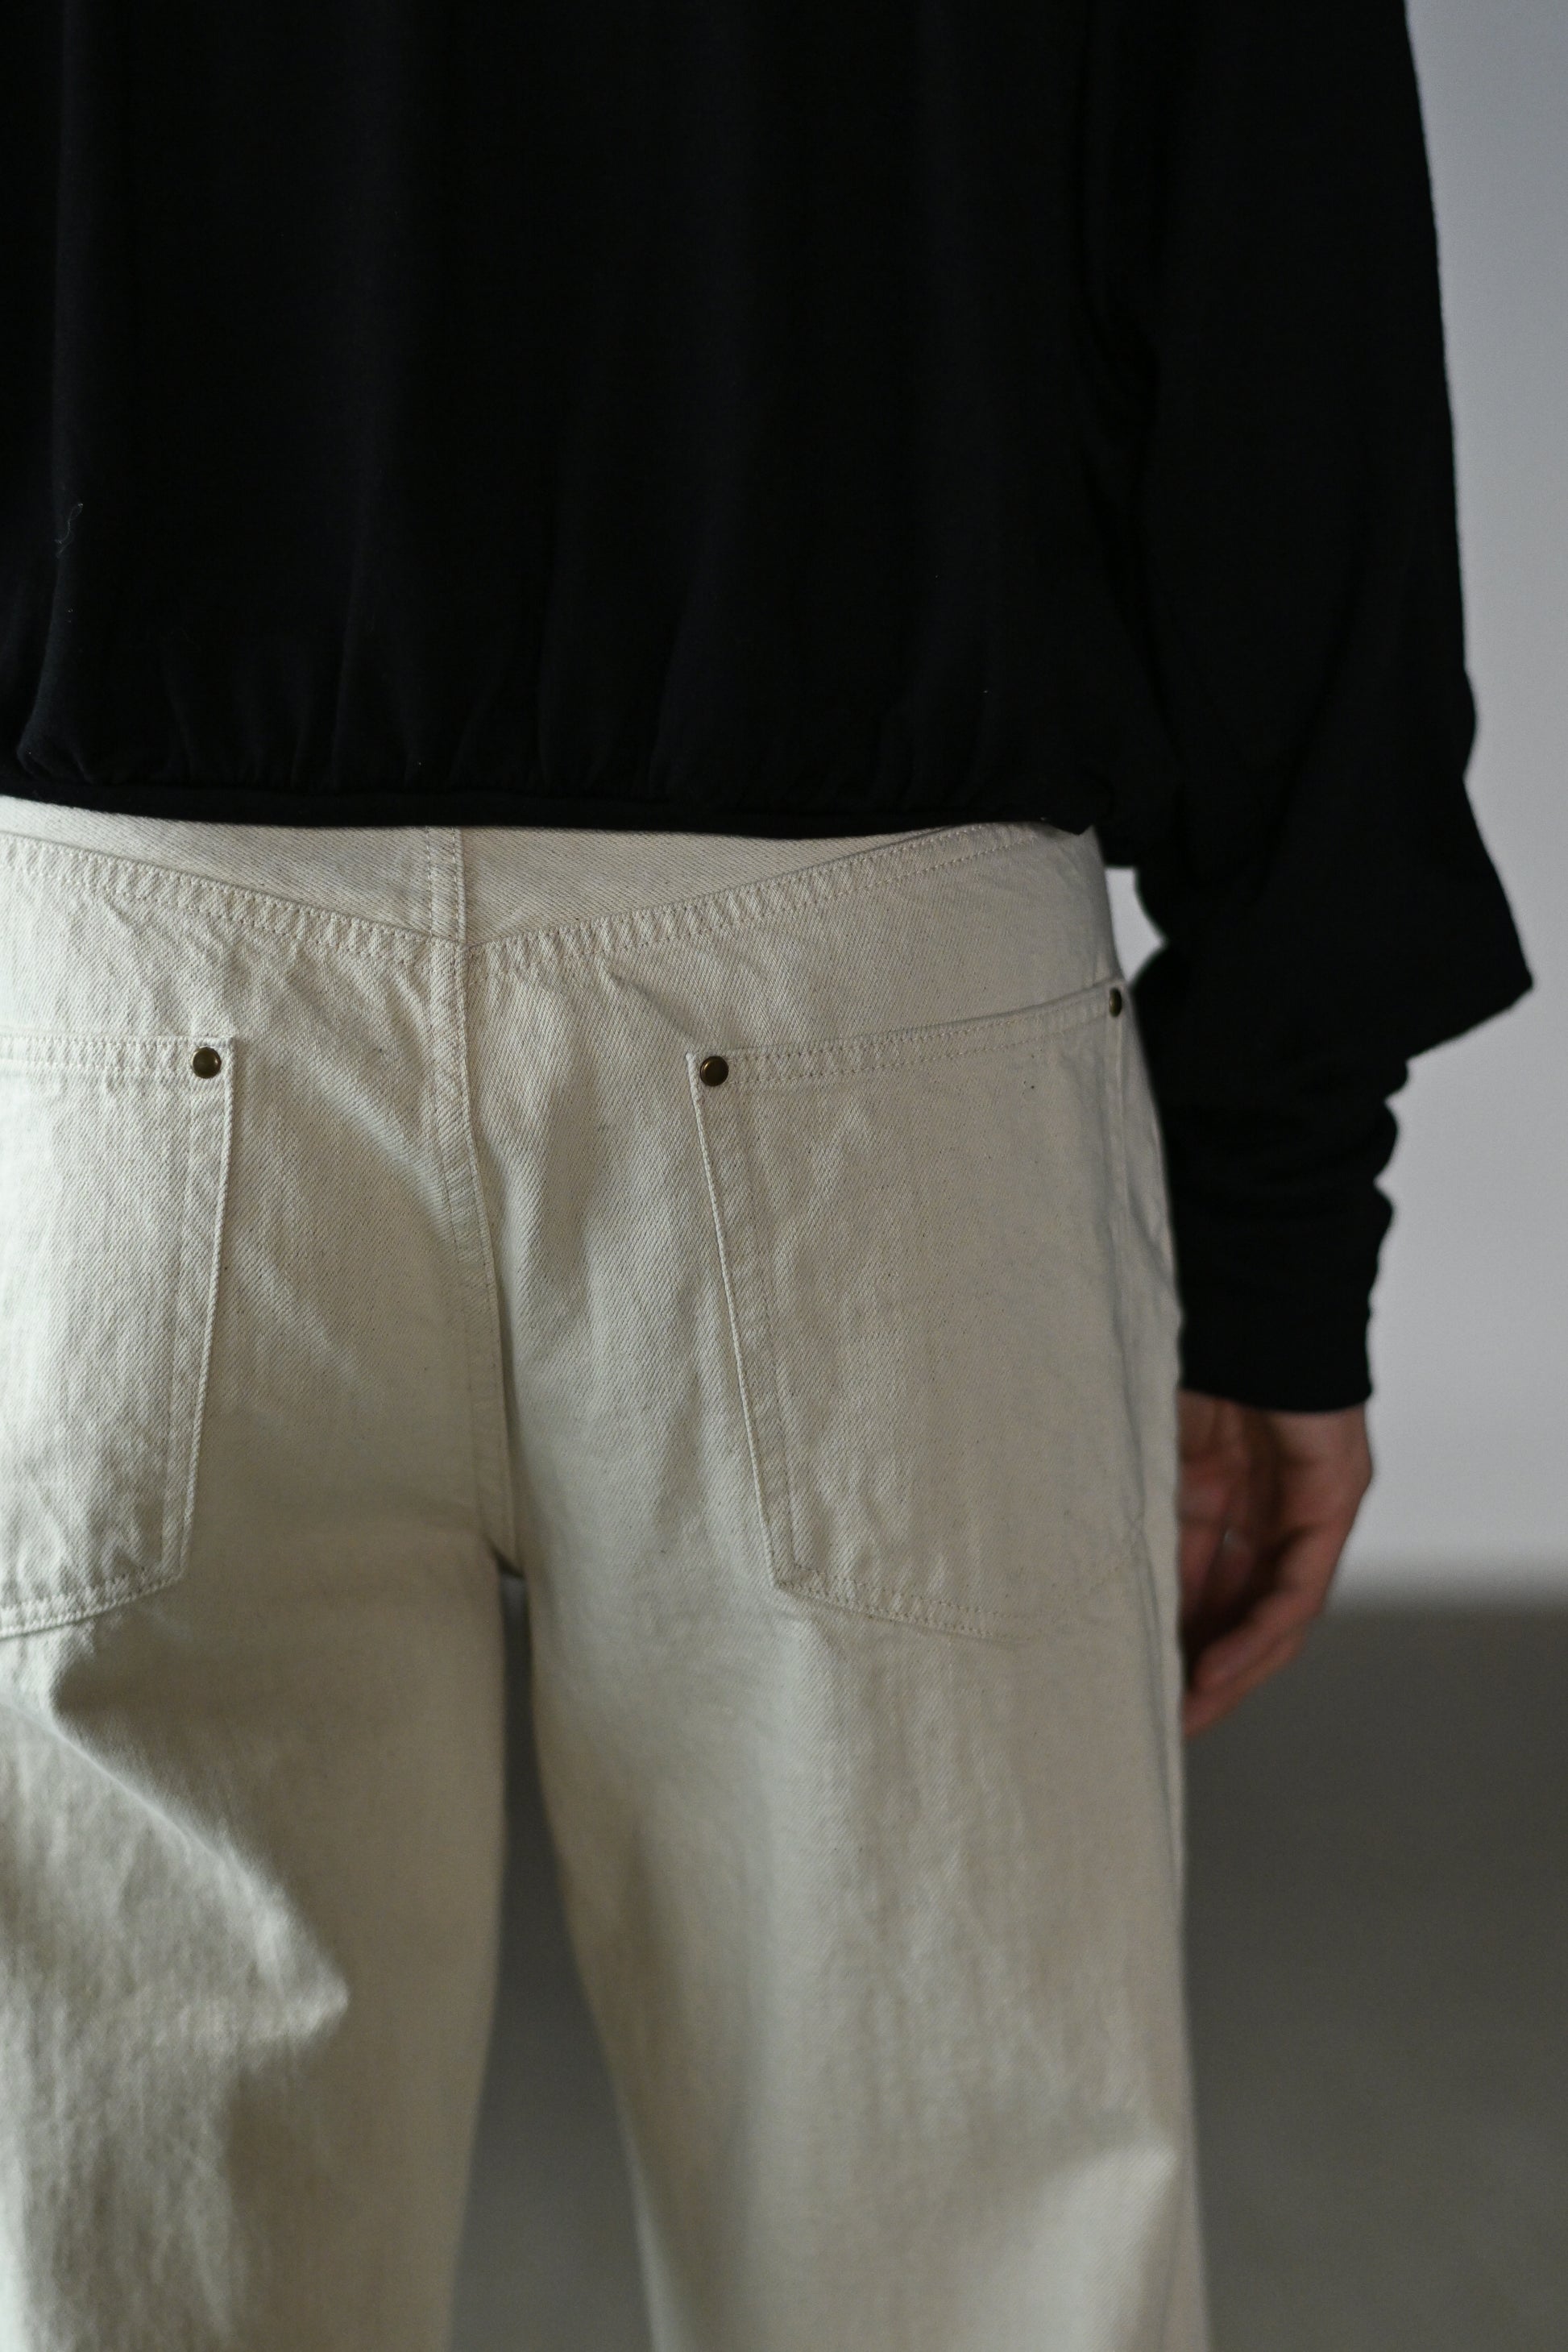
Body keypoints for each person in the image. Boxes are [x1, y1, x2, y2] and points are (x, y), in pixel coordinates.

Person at [0, 2, 1530, 2347]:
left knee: (139, 2263)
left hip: (122, 1016)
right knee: (951, 2259)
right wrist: (1274, 1232)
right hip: (867, 1052)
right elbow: (1275, 311)